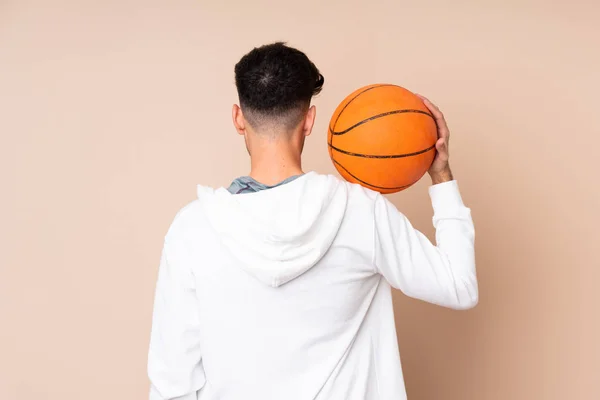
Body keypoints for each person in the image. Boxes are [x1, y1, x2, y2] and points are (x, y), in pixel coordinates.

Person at [147, 42, 478, 400]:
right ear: (309, 120)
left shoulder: (192, 230)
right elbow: (458, 286)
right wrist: (441, 174)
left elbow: (172, 384)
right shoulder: (361, 212)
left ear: (238, 118)